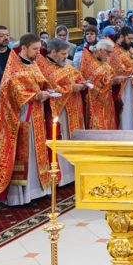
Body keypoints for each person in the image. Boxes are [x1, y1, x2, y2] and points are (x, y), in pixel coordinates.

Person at [0, 33, 53, 205]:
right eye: (35, 49)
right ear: (24, 48)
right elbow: (15, 93)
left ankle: (38, 189)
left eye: (39, 49)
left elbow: (40, 81)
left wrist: (47, 89)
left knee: (37, 152)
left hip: (36, 115)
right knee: (25, 154)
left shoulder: (32, 63)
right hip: (21, 117)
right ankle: (22, 196)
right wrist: (37, 94)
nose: (38, 52)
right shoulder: (13, 69)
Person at [37, 37, 86, 185]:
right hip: (60, 112)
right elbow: (50, 87)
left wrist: (82, 84)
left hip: (74, 109)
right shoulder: (43, 67)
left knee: (74, 139)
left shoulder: (66, 65)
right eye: (63, 53)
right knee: (63, 139)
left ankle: (75, 172)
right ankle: (63, 177)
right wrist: (71, 88)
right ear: (53, 52)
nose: (66, 57)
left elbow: (78, 76)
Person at [80, 41, 117, 130]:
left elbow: (110, 73)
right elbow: (93, 84)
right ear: (100, 50)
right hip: (95, 102)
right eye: (108, 52)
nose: (109, 55)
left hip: (107, 100)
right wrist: (112, 81)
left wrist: (114, 79)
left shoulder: (102, 60)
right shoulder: (89, 62)